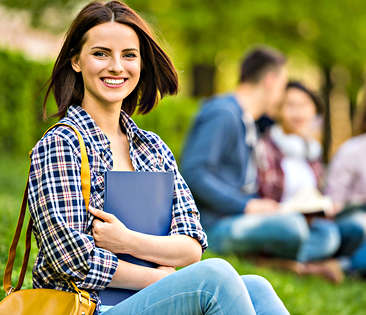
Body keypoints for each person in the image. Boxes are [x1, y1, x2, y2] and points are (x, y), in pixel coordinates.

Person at [27, 1, 289, 315]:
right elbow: (70, 258)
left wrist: (126, 241)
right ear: (76, 61)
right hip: (88, 307)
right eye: (100, 53)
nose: (116, 67)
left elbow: (191, 245)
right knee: (214, 277)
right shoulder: (61, 143)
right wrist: (157, 278)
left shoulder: (153, 148)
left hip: (143, 301)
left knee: (256, 286)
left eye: (128, 55)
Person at [181, 47, 298, 257]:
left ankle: (289, 259)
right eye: (283, 85)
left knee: (324, 230)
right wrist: (246, 206)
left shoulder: (246, 120)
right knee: (293, 227)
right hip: (215, 225)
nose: (282, 95)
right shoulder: (223, 113)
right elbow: (194, 172)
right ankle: (291, 260)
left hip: (237, 218)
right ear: (270, 80)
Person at [256, 81, 342, 282]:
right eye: (291, 105)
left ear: (314, 110)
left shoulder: (312, 151)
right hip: (280, 218)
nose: (298, 113)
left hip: (311, 222)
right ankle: (304, 265)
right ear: (278, 110)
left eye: (304, 105)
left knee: (339, 232)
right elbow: (264, 192)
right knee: (321, 235)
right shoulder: (266, 146)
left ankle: (288, 263)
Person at [325, 102, 366, 275]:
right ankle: (348, 267)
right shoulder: (353, 150)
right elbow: (334, 202)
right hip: (349, 217)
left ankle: (346, 266)